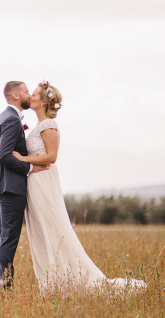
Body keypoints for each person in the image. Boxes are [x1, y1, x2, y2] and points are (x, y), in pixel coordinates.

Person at [13, 80, 147, 292]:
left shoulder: (49, 126)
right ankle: (51, 283)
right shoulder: (38, 126)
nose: (31, 97)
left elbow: (52, 157)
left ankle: (70, 282)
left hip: (44, 183)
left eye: (35, 95)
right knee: (40, 232)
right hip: (34, 182)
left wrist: (23, 159)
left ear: (45, 102)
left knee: (54, 230)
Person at [0, 81, 49, 288]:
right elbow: (4, 155)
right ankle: (6, 287)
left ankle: (2, 285)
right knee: (8, 239)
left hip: (1, 185)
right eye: (25, 92)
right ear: (15, 96)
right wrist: (30, 169)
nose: (29, 95)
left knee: (3, 238)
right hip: (11, 188)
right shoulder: (12, 120)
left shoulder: (2, 118)